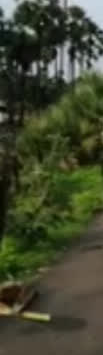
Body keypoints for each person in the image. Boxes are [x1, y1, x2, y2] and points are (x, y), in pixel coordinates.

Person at [0, 100, 19, 246]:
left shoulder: (8, 133)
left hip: (5, 179)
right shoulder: (8, 133)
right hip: (4, 177)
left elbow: (13, 158)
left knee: (3, 215)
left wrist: (16, 179)